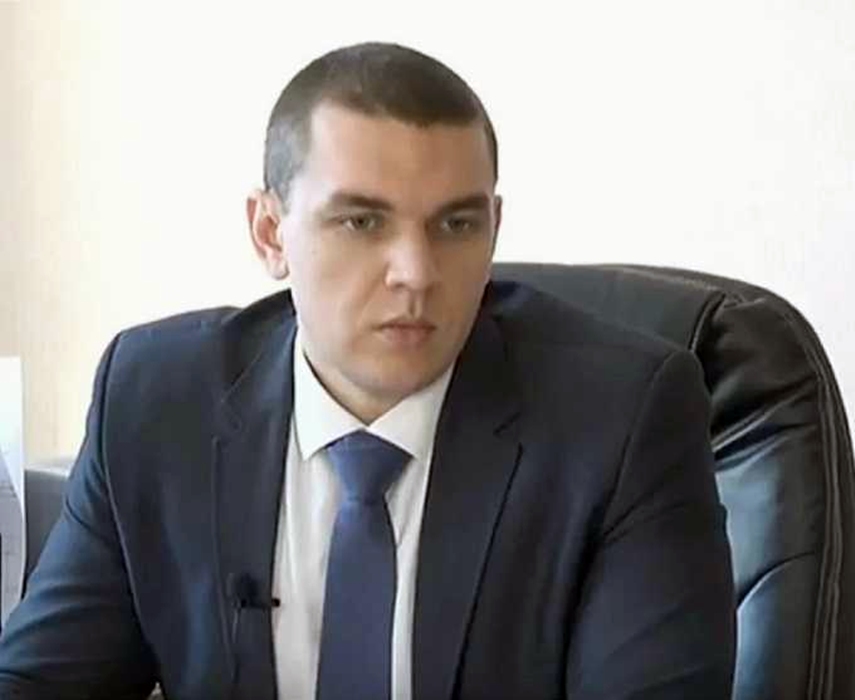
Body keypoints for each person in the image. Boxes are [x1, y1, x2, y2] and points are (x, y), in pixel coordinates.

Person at [0, 42, 735, 699]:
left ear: (494, 229)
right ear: (269, 232)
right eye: (362, 221)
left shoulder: (621, 419)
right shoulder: (154, 400)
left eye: (456, 224)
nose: (415, 273)